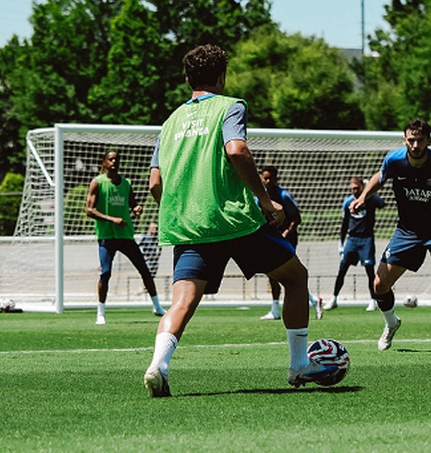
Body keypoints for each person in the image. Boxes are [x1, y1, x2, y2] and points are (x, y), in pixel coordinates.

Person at [143, 44, 334, 397]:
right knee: (296, 278)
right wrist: (265, 201)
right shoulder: (230, 107)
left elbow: (155, 182)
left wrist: (181, 209)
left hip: (190, 226)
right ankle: (298, 364)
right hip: (234, 220)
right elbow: (237, 150)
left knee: (183, 301)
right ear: (221, 76)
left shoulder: (169, 123)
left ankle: (159, 366)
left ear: (187, 78)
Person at [351, 118, 431, 353]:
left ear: (429, 141)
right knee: (379, 284)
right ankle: (391, 324)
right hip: (407, 230)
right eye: (411, 140)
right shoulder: (394, 160)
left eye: (419, 140)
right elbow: (380, 176)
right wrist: (363, 196)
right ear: (404, 140)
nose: (415, 145)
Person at [84, 151, 166, 325]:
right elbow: (89, 210)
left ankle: (157, 307)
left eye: (117, 159)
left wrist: (136, 208)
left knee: (144, 270)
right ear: (104, 162)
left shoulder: (126, 183)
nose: (114, 162)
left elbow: (132, 203)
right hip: (107, 236)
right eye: (110, 159)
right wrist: (112, 219)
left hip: (126, 235)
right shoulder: (97, 182)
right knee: (105, 273)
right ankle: (101, 313)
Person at [258, 165, 323, 321]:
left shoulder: (284, 196)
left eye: (270, 178)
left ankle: (312, 301)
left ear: (276, 179)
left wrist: (286, 234)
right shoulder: (259, 197)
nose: (267, 181)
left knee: (288, 274)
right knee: (273, 273)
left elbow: (296, 219)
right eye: (265, 178)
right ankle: (276, 309)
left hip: (287, 239)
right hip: (271, 238)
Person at [324, 176, 385, 311]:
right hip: (352, 240)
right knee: (342, 269)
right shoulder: (347, 202)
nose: (354, 191)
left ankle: (373, 300)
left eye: (356, 188)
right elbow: (344, 224)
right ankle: (334, 298)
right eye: (352, 189)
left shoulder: (370, 199)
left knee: (370, 271)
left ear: (362, 187)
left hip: (366, 239)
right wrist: (341, 243)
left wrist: (370, 192)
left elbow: (382, 204)